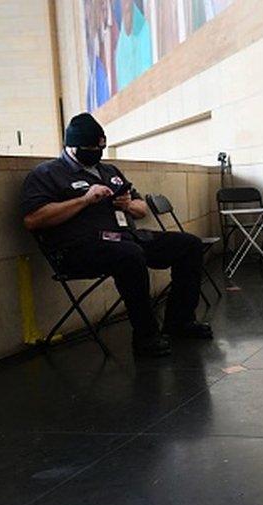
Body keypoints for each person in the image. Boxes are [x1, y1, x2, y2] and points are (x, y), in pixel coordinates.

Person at [22, 113, 212, 357]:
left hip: (126, 237)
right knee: (129, 255)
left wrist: (127, 205)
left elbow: (142, 208)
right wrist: (85, 200)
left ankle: (180, 322)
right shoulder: (47, 174)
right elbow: (33, 219)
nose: (97, 153)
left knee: (189, 245)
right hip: (80, 248)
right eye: (91, 148)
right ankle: (146, 335)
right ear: (72, 146)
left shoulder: (109, 170)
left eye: (101, 147)